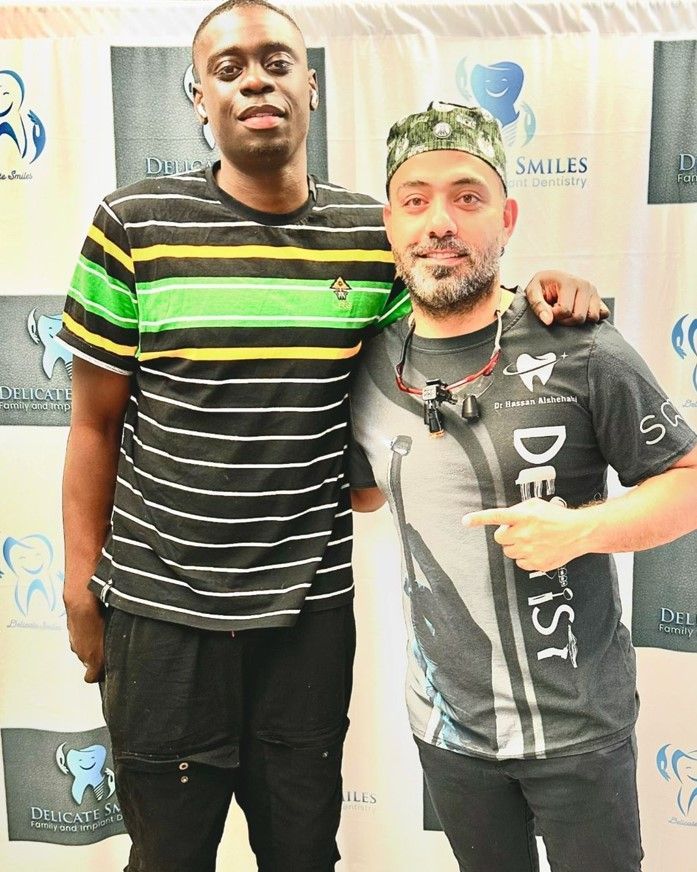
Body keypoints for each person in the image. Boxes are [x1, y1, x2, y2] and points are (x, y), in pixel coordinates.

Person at [58, 2, 608, 870]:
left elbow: (452, 313)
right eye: (228, 68)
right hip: (160, 615)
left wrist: (545, 285)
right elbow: (92, 423)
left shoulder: (367, 235)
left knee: (304, 851)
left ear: (311, 86)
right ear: (197, 96)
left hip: (305, 616)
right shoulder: (132, 225)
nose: (255, 81)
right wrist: (79, 587)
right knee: (166, 855)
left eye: (276, 61)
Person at [349, 100, 697, 872]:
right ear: (390, 226)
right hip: (448, 730)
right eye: (415, 200)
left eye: (466, 198)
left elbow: (687, 479)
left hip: (576, 729)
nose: (439, 220)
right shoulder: (366, 365)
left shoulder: (580, 344)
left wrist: (582, 530)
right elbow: (364, 493)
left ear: (504, 218)